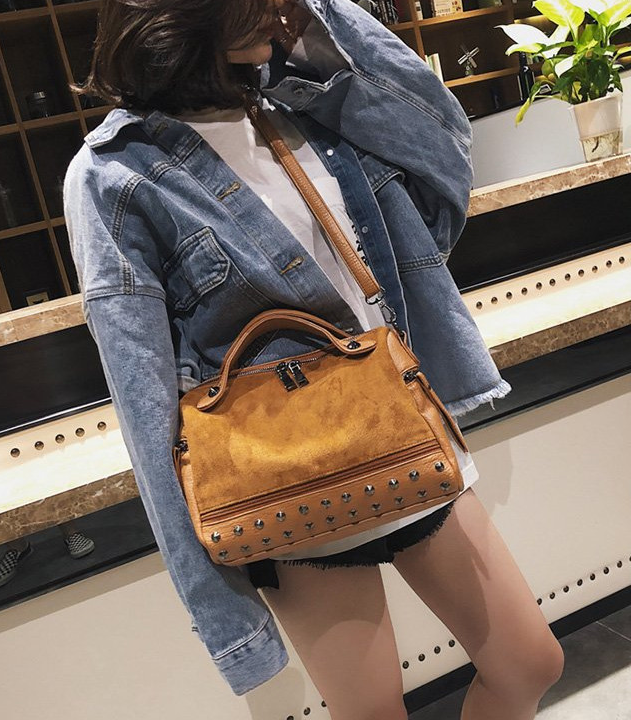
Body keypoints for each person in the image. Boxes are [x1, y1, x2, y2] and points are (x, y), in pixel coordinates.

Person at [63, 0, 564, 716]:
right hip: (285, 473)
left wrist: (321, 22)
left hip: (397, 428)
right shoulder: (112, 176)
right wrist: (221, 607)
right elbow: (143, 403)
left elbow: (442, 145)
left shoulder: (308, 110)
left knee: (529, 662)